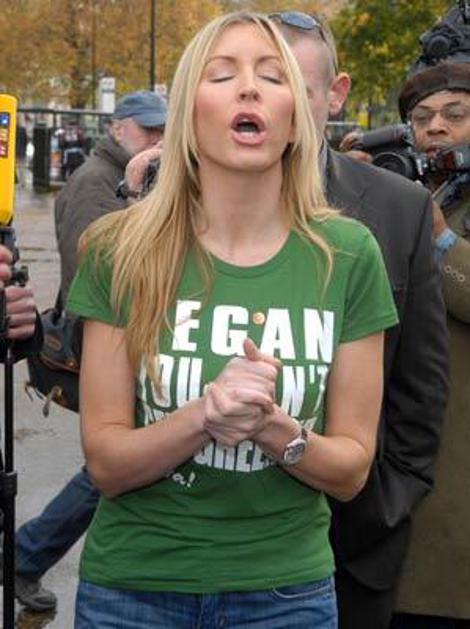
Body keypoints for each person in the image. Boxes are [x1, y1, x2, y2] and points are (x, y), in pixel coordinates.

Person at [69, 11, 398, 628]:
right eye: (223, 75)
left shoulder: (350, 255)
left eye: (272, 77)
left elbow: (352, 470)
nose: (249, 88)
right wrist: (205, 415)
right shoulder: (120, 249)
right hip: (133, 594)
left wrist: (273, 428)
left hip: (287, 598)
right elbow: (106, 464)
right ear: (187, 116)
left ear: (295, 120)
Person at [269, 10, 448, 629]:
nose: (274, 104)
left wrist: (379, 509)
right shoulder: (179, 203)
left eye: (293, 86)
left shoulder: (401, 210)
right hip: (203, 553)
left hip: (352, 554)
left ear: (336, 92)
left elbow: (421, 391)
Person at [11, 90, 167, 612]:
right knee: (117, 465)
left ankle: (26, 556)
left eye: (163, 129)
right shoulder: (95, 182)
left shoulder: (130, 177)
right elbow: (95, 275)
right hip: (110, 340)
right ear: (118, 128)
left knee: (127, 462)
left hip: (130, 336)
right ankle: (25, 556)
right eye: (148, 129)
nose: (158, 138)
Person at [389, 60, 470, 629]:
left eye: (454, 114)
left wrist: (439, 236)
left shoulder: (434, 209)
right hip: (401, 445)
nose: (436, 127)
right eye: (422, 118)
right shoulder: (405, 191)